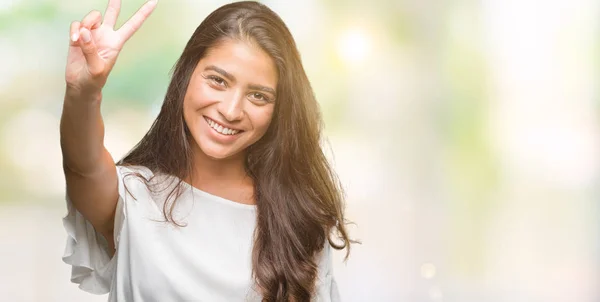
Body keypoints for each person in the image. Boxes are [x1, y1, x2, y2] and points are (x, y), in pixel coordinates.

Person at [60, 0, 353, 301]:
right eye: (218, 80)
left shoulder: (296, 219)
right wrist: (83, 91)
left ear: (279, 109)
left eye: (258, 96)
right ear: (187, 74)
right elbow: (82, 166)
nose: (230, 110)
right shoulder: (134, 195)